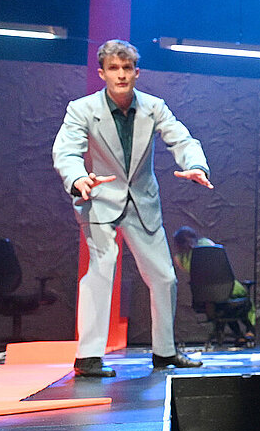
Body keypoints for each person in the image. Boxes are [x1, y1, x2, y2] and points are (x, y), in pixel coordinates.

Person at [52, 39, 210, 378]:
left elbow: (181, 138)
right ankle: (88, 357)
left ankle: (164, 351)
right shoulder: (82, 109)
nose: (121, 75)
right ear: (102, 73)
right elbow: (66, 151)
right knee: (101, 269)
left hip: (142, 202)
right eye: (114, 68)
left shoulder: (153, 107)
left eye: (127, 68)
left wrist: (195, 165)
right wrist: (78, 178)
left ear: (137, 72)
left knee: (165, 277)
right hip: (99, 198)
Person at [172, 226, 255, 344]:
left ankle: (238, 335)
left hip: (205, 297)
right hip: (228, 289)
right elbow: (218, 261)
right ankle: (250, 329)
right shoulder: (207, 245)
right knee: (241, 301)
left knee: (223, 308)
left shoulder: (180, 259)